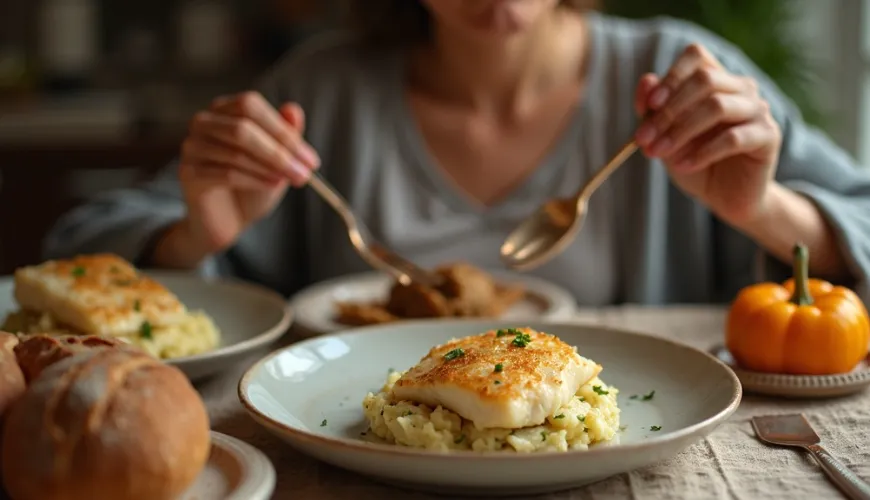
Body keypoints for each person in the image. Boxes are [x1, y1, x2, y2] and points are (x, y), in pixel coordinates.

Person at [44, 0, 870, 305]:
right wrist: (196, 231)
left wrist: (761, 209)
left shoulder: (682, 75)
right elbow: (74, 250)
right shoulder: (325, 89)